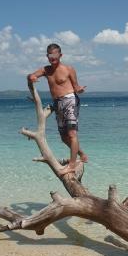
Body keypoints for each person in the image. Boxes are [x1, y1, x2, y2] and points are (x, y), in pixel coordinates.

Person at [27, 43, 88, 175]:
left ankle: (72, 164)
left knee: (72, 134)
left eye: (55, 55)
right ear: (47, 56)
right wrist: (31, 77)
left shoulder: (68, 69)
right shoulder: (46, 70)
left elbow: (76, 87)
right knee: (64, 138)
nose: (52, 57)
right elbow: (32, 75)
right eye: (50, 55)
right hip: (57, 103)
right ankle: (82, 154)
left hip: (70, 100)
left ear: (60, 55)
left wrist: (80, 90)